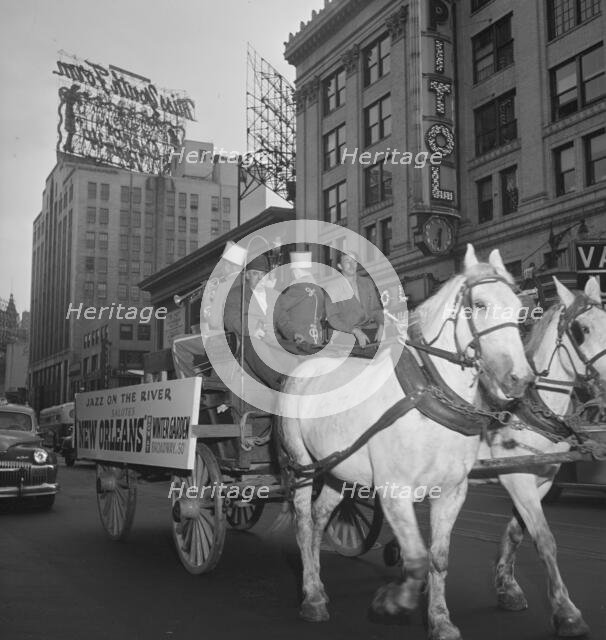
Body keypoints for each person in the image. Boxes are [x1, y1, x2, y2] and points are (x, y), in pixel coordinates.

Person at [223, 253, 283, 390]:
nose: (260, 278)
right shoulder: (235, 295)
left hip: (276, 341)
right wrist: (253, 328)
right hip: (249, 341)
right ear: (247, 275)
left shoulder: (275, 295)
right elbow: (231, 320)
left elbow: (285, 320)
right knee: (253, 343)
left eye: (263, 275)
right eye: (256, 274)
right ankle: (280, 382)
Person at [325, 251, 384, 347]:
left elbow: (376, 309)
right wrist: (355, 331)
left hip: (371, 330)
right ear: (340, 266)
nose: (352, 265)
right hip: (347, 335)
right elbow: (333, 318)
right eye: (347, 261)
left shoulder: (367, 283)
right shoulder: (332, 288)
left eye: (354, 261)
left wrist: (381, 325)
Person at [275, 251, 325, 348]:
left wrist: (271, 289)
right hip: (316, 338)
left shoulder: (298, 287)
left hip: (300, 339)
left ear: (296, 271)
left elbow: (278, 306)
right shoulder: (319, 289)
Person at [201, 241, 248, 331]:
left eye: (221, 264)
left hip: (229, 338)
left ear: (227, 265)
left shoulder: (223, 286)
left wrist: (206, 299)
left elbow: (214, 321)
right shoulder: (249, 282)